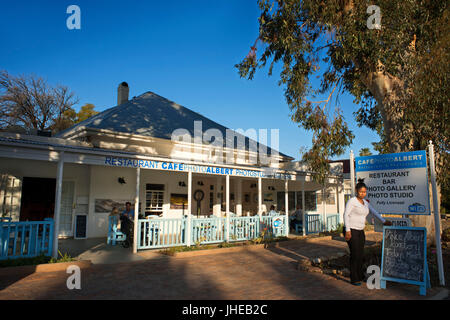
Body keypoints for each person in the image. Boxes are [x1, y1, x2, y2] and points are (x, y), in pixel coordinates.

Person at [343, 179, 392, 286]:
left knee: (360, 254)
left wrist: (384, 221)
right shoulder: (352, 201)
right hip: (351, 230)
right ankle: (354, 278)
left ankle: (360, 276)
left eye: (364, 192)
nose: (363, 194)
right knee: (355, 254)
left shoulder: (365, 203)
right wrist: (347, 230)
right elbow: (346, 214)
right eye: (361, 192)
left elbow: (374, 212)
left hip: (360, 230)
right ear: (356, 191)